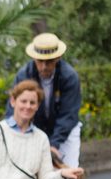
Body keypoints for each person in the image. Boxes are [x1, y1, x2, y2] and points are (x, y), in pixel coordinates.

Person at [5, 33, 83, 167]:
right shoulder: (24, 75)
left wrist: (54, 144)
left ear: (58, 58)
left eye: (49, 61)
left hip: (65, 129)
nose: (44, 67)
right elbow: (14, 110)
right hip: (35, 128)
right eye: (40, 61)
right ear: (34, 58)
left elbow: (68, 114)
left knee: (68, 170)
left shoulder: (69, 77)